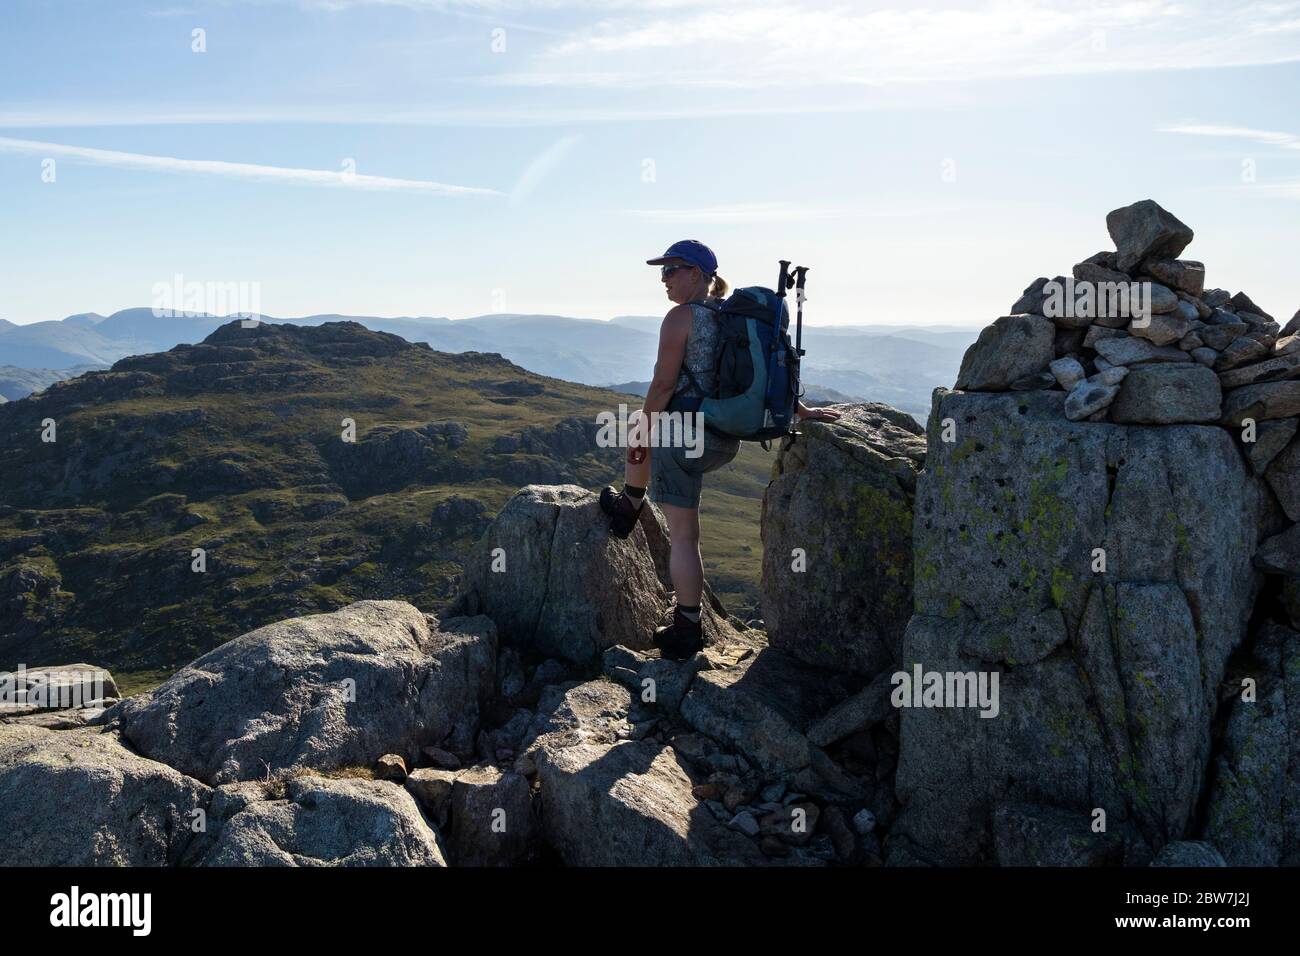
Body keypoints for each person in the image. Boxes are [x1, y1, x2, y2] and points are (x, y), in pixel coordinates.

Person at [600, 239, 841, 659]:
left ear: (696, 273)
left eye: (670, 271)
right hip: (723, 437)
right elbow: (763, 371)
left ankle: (686, 628)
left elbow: (663, 384)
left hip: (683, 440)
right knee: (678, 513)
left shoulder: (680, 318)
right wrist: (800, 411)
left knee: (683, 535)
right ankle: (631, 504)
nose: (663, 281)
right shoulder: (731, 316)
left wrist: (641, 427)